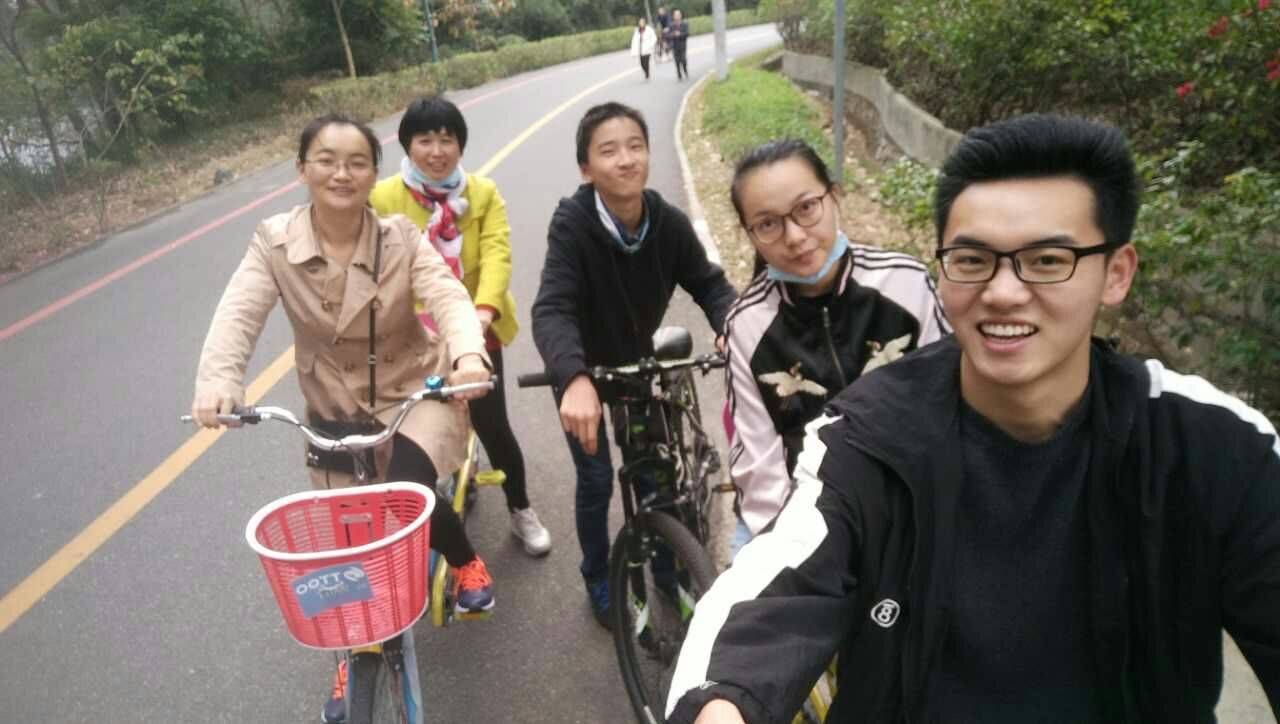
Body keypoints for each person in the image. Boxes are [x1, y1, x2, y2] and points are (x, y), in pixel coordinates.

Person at [666, 114, 1280, 723]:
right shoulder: (859, 438)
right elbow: (783, 548)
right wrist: (724, 698)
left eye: (1048, 260)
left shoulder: (1213, 448)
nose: (1003, 293)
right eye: (972, 259)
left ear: (1116, 273)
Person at [190, 113, 498, 724]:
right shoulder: (274, 241)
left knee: (406, 494)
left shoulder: (400, 238)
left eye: (357, 162)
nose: (342, 173)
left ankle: (464, 558)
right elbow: (239, 313)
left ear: (373, 174)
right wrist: (219, 381)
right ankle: (354, 646)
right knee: (344, 542)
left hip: (411, 393)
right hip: (331, 407)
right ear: (301, 169)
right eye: (326, 160)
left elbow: (446, 296)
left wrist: (467, 354)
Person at [530, 101, 737, 628]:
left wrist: (732, 327)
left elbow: (710, 284)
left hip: (637, 365)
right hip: (581, 371)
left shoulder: (665, 222)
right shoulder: (573, 226)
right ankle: (600, 577)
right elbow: (552, 308)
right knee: (597, 478)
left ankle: (668, 571)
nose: (626, 159)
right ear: (586, 168)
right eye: (609, 150)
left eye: (636, 146)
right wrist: (573, 378)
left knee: (656, 476)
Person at [722, 139, 949, 557]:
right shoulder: (747, 324)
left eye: (806, 208)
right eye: (768, 224)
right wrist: (796, 550)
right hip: (804, 524)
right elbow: (759, 463)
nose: (795, 236)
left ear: (835, 197)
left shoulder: (906, 284)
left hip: (911, 512)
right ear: (750, 234)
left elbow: (950, 408)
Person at [369, 96, 552, 558]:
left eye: (446, 139)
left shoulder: (482, 193)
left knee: (492, 424)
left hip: (475, 327)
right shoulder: (383, 197)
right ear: (407, 146)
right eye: (424, 140)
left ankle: (521, 509)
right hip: (412, 337)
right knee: (419, 423)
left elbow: (496, 255)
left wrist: (482, 315)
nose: (436, 151)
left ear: (461, 145)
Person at [668, 9, 690, 80]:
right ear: (673, 16)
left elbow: (687, 34)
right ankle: (679, 73)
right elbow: (668, 35)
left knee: (683, 60)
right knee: (677, 61)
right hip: (674, 46)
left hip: (682, 45)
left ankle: (685, 70)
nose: (677, 16)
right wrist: (673, 34)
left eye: (678, 15)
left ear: (680, 16)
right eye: (675, 15)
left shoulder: (684, 24)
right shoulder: (671, 25)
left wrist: (680, 34)